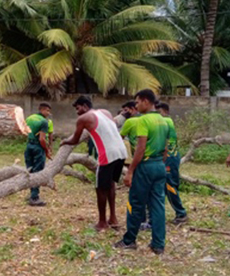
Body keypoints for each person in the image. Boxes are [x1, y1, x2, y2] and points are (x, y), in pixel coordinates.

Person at [113, 89, 169, 254]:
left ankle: (129, 239)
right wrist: (160, 163)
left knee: (136, 203)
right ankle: (158, 244)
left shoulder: (143, 121)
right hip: (159, 165)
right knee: (157, 205)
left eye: (137, 102)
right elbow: (166, 147)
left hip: (145, 166)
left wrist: (130, 170)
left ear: (146, 101)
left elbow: (141, 147)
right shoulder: (164, 120)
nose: (136, 106)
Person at [61, 95, 127, 231]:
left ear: (85, 106)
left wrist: (65, 141)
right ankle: (113, 218)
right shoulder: (105, 112)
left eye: (78, 108)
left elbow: (74, 139)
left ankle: (102, 222)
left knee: (100, 188)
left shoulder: (83, 119)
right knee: (111, 184)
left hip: (107, 154)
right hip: (121, 151)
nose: (77, 112)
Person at [157, 102, 188, 224]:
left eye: (158, 112)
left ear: (164, 111)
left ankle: (181, 213)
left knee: (170, 185)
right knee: (163, 186)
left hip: (170, 157)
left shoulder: (166, 121)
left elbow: (164, 142)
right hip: (169, 157)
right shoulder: (165, 121)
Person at [25, 103, 53, 206]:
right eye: (48, 111)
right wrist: (46, 150)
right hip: (38, 147)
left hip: (28, 146)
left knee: (30, 169)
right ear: (43, 110)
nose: (48, 113)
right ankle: (34, 197)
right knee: (37, 171)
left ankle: (31, 193)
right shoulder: (44, 122)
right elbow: (42, 139)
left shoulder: (30, 118)